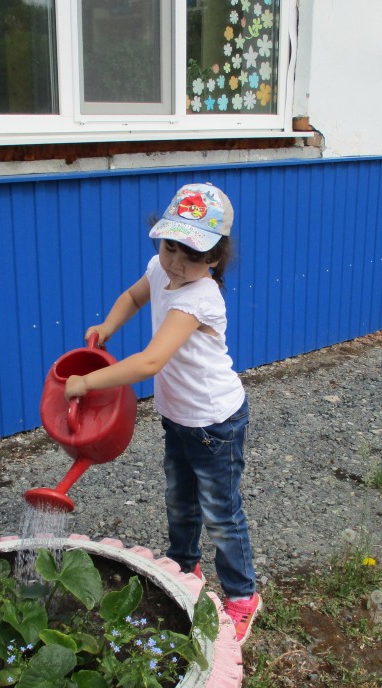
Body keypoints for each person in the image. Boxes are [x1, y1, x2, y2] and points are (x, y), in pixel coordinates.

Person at [64, 182, 261, 645]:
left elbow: (151, 361)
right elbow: (134, 297)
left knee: (220, 512)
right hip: (178, 418)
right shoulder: (160, 269)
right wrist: (108, 325)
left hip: (215, 422)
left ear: (214, 259)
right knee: (180, 500)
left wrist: (88, 383)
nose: (175, 263)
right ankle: (184, 569)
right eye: (170, 247)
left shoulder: (200, 298)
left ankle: (242, 596)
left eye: (191, 255)